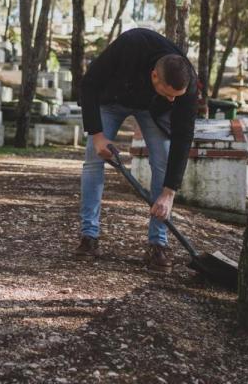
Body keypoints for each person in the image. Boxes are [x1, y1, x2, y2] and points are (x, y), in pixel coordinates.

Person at [75, 28, 197, 271]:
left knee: (162, 161)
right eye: (169, 94)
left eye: (177, 97)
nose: (173, 101)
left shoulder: (187, 82)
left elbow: (183, 136)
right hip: (113, 100)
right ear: (154, 76)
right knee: (93, 160)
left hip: (151, 109)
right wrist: (97, 136)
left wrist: (169, 192)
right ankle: (89, 236)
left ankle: (158, 244)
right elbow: (89, 85)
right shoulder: (130, 45)